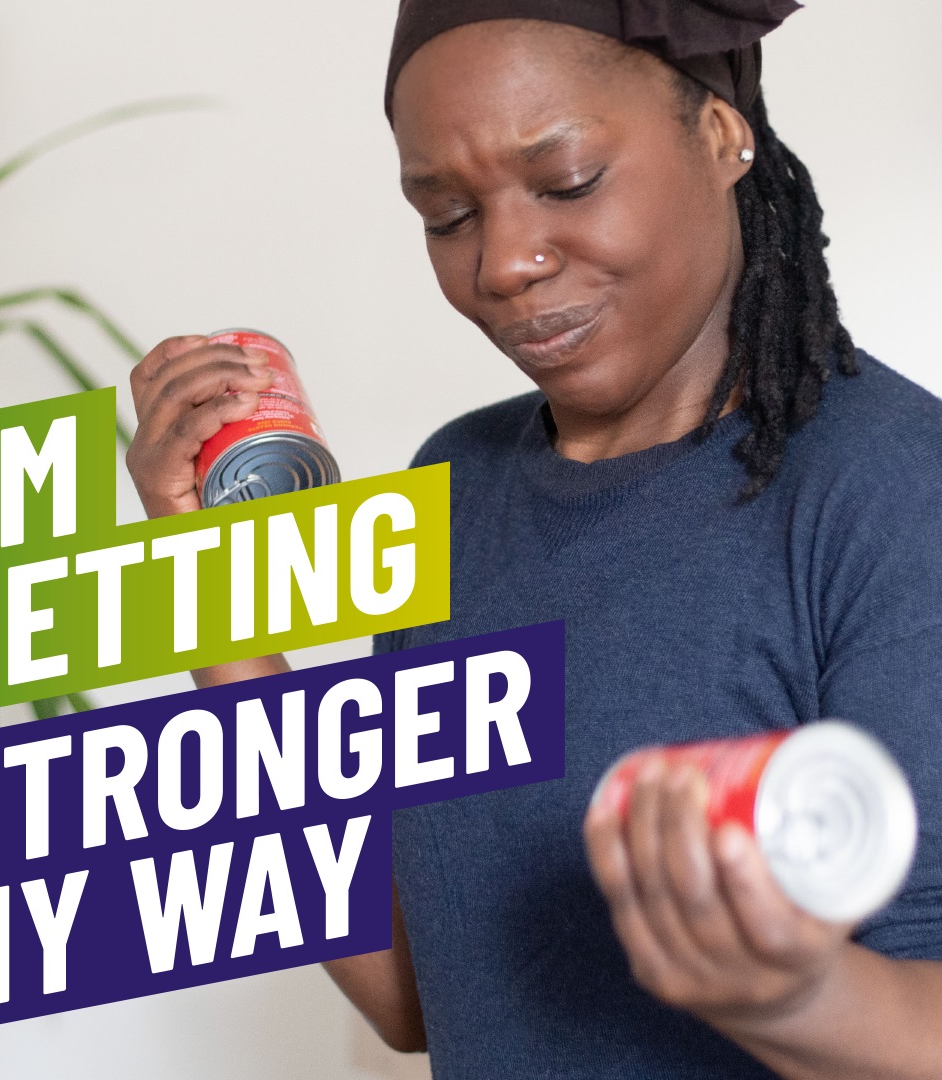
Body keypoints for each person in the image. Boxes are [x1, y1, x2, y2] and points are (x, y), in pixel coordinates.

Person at [125, 1, 942, 1076]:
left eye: (566, 183)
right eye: (448, 213)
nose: (505, 262)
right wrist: (208, 589)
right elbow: (417, 990)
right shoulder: (455, 485)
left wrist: (795, 993)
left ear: (720, 132)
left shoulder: (888, 488)